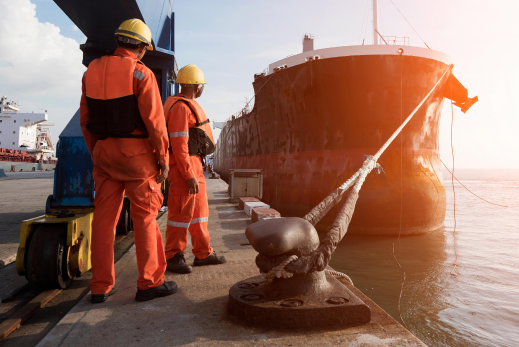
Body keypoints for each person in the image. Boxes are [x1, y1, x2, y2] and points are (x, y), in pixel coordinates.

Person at [80, 18, 177, 303]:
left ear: (119, 41)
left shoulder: (91, 72)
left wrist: (97, 151)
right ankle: (149, 283)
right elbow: (155, 124)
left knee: (103, 223)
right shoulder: (141, 74)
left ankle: (99, 287)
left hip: (104, 157)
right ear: (142, 48)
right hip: (138, 159)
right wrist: (163, 159)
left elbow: (86, 120)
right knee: (145, 219)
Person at [163, 65, 226, 274]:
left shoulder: (184, 105)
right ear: (197, 86)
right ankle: (173, 255)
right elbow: (179, 144)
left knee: (200, 213)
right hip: (184, 168)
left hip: (194, 165)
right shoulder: (180, 108)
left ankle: (203, 253)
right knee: (180, 214)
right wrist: (188, 175)